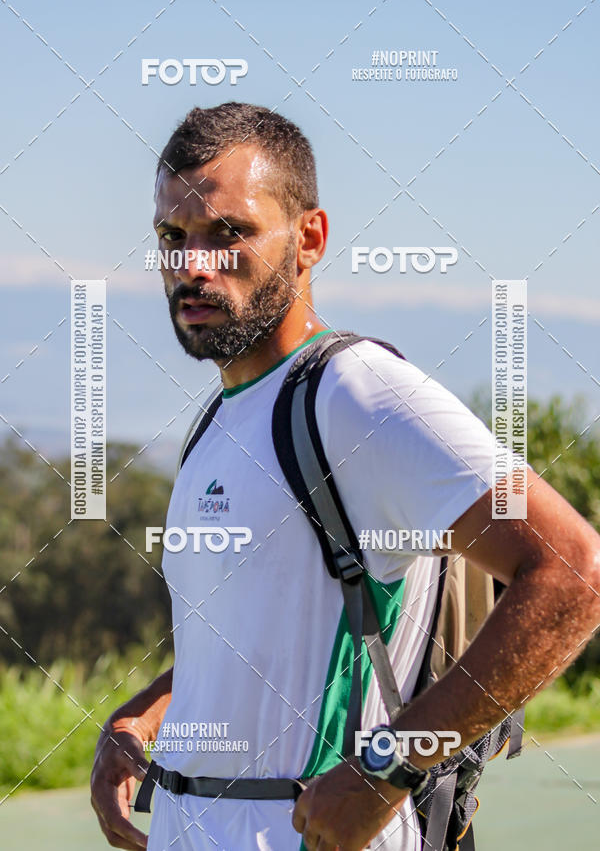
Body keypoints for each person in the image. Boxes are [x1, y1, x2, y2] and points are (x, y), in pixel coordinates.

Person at [91, 102, 600, 851]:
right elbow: (252, 638)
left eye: (228, 233)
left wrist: (388, 770)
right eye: (174, 237)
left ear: (308, 240)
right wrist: (143, 718)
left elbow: (571, 571)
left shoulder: (357, 394)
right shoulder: (219, 418)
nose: (194, 265)